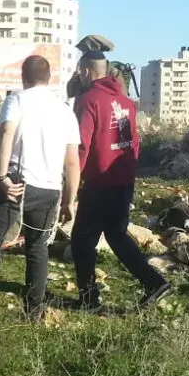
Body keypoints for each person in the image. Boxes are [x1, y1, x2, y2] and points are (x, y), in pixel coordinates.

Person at [0, 55, 80, 322]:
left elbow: (7, 133)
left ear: (24, 76)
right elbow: (72, 161)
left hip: (17, 184)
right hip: (50, 189)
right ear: (49, 78)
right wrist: (69, 201)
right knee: (37, 249)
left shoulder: (17, 100)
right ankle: (33, 309)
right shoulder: (65, 110)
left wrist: (1, 177)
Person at [70, 44, 170, 310]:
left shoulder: (89, 100)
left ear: (86, 70)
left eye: (79, 71)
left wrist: (72, 178)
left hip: (99, 182)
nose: (78, 76)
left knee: (82, 240)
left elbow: (82, 144)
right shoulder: (124, 101)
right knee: (116, 235)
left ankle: (89, 298)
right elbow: (132, 142)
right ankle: (154, 282)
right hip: (123, 180)